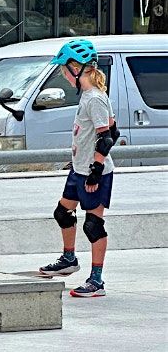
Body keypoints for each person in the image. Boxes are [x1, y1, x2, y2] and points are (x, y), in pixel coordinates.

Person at [38, 39, 118, 297]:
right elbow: (113, 128)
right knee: (63, 213)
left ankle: (97, 281)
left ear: (76, 69)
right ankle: (69, 259)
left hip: (93, 174)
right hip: (79, 170)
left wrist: (95, 169)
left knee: (93, 225)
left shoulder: (94, 98)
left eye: (64, 69)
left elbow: (107, 137)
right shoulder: (88, 96)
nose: (63, 74)